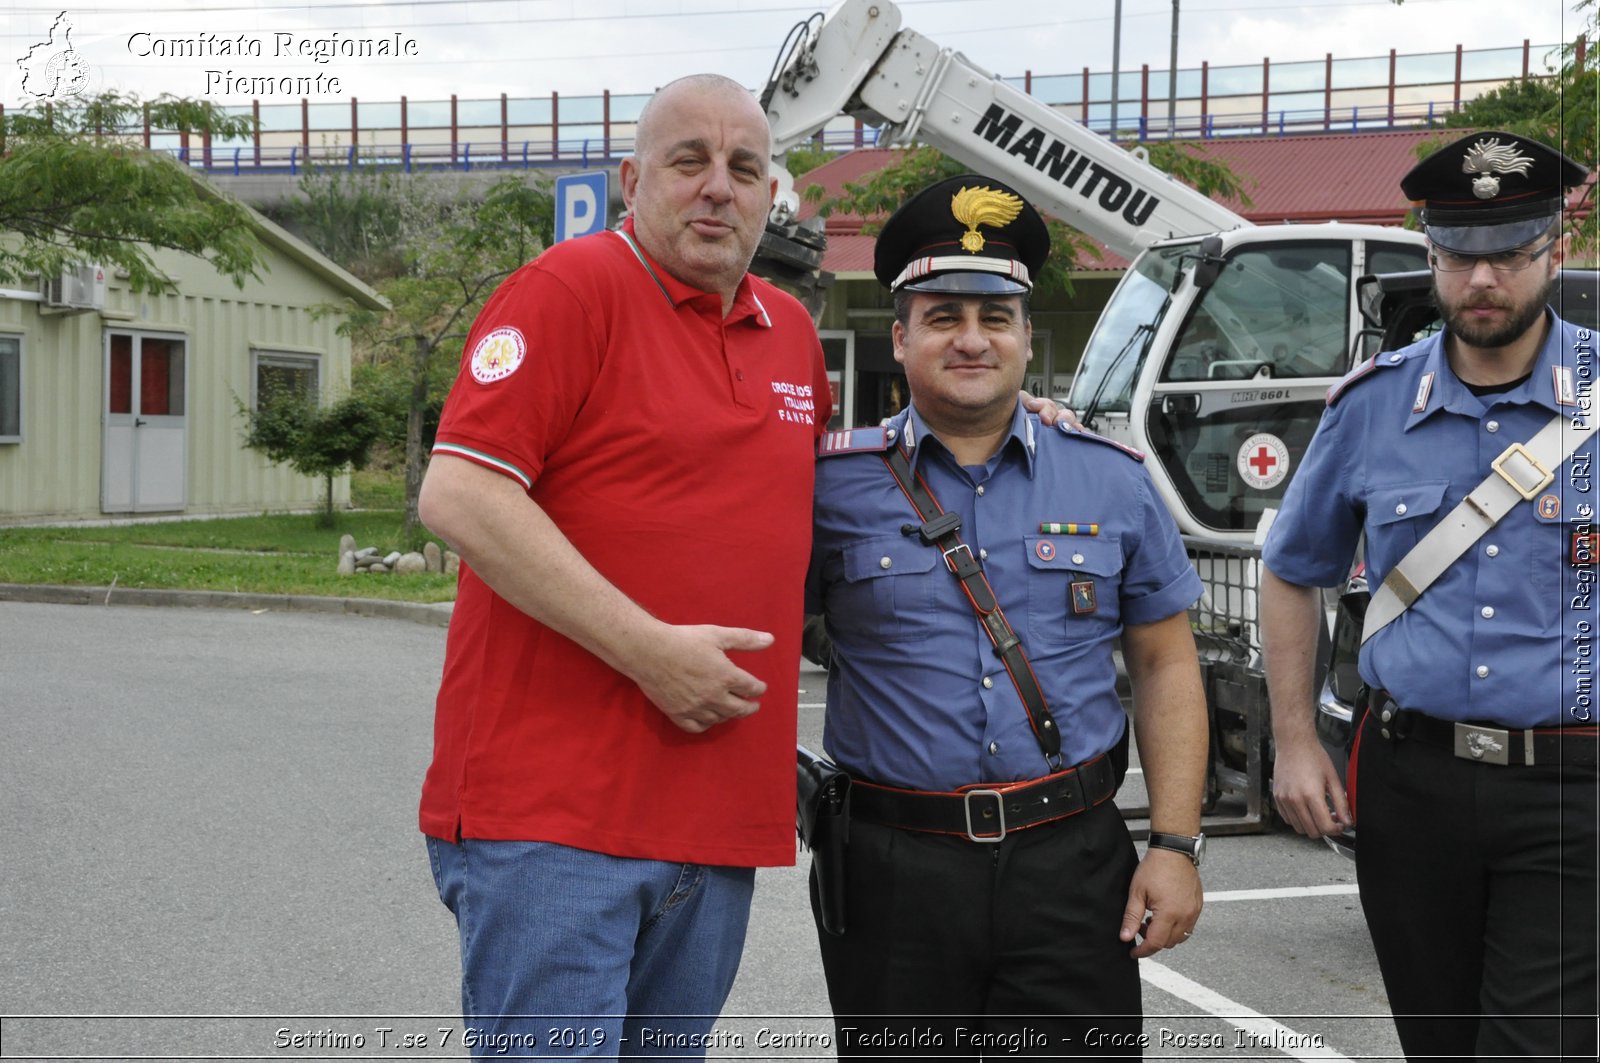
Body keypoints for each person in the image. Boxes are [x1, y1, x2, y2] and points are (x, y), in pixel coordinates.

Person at [415, 73, 832, 1059]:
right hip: (554, 822)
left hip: (717, 822)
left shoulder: (794, 335)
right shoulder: (573, 290)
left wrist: (1008, 427)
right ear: (628, 179)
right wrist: (649, 651)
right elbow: (460, 493)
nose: (718, 188)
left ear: (772, 192)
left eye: (745, 167)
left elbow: (841, 496)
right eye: (688, 161)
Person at [805, 174, 1210, 1058]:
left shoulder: (1111, 477)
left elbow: (1165, 663)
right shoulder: (826, 487)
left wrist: (1175, 844)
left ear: (1027, 335)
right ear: (901, 335)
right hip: (892, 872)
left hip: (1071, 863)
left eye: (994, 315)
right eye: (944, 315)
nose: (971, 338)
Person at [1262, 130, 1598, 1059]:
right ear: (1432, 255)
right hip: (1413, 784)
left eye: (1508, 256)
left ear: (1554, 250)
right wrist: (1293, 741)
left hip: (1575, 789)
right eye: (1458, 257)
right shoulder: (1370, 405)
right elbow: (1294, 569)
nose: (1482, 279)